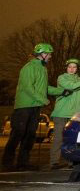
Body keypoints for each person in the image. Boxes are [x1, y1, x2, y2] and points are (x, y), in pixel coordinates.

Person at [2, 43, 63, 171]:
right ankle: (7, 163)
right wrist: (43, 100)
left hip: (36, 106)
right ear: (42, 54)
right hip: (24, 106)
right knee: (18, 133)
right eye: (49, 54)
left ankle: (23, 163)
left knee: (30, 135)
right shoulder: (28, 68)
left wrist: (61, 91)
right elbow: (28, 88)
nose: (51, 56)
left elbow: (44, 88)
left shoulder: (43, 69)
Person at [49, 59, 80, 169]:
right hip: (61, 113)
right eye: (69, 67)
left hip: (75, 115)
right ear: (66, 68)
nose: (71, 69)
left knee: (73, 139)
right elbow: (72, 86)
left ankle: (72, 161)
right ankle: (54, 162)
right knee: (58, 138)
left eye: (74, 67)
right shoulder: (62, 78)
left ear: (77, 69)